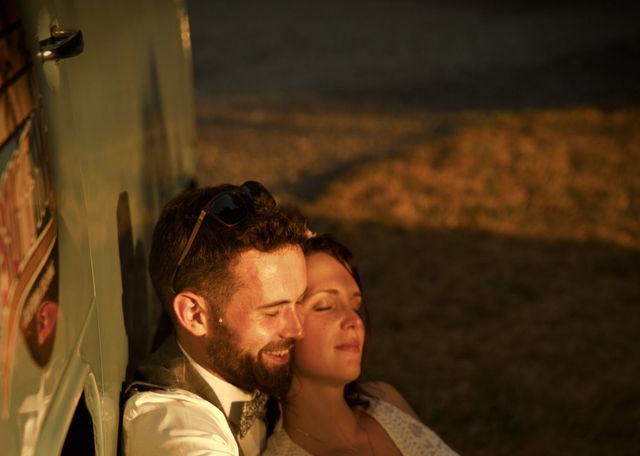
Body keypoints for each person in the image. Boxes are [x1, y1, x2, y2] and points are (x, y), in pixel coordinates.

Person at [122, 181, 309, 456]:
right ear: (194, 314)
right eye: (271, 312)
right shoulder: (169, 424)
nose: (298, 329)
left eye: (301, 300)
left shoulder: (252, 368)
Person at [265, 235, 459, 456]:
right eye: (325, 306)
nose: (354, 321)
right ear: (282, 328)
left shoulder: (384, 400)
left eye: (355, 307)